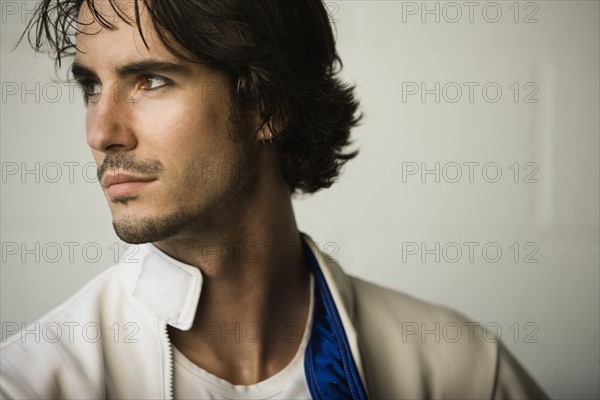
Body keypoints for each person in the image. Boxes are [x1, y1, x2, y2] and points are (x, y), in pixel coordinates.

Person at [1, 0, 548, 398]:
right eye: (90, 86)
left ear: (266, 105)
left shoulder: (463, 372)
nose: (102, 132)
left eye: (150, 80)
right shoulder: (31, 382)